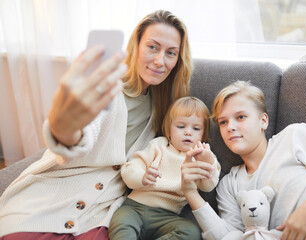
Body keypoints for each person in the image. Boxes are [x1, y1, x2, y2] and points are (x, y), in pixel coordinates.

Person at [0, 10, 193, 240]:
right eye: (152, 47)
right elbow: (82, 132)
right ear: (136, 46)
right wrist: (64, 128)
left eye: (171, 53)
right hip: (47, 199)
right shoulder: (107, 89)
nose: (160, 61)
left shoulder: (164, 108)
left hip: (101, 211)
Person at [181, 81, 306, 240]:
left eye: (241, 117)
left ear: (263, 121)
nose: (231, 127)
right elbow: (229, 236)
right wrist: (190, 192)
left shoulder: (294, 137)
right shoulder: (229, 185)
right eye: (223, 122)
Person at [108, 96, 220, 239]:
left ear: (203, 136)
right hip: (134, 207)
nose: (188, 132)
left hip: (167, 217)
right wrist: (142, 177)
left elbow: (207, 187)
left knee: (191, 231)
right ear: (169, 131)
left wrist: (208, 163)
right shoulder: (158, 145)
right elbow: (130, 168)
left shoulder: (203, 156)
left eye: (196, 128)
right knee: (121, 223)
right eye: (181, 126)